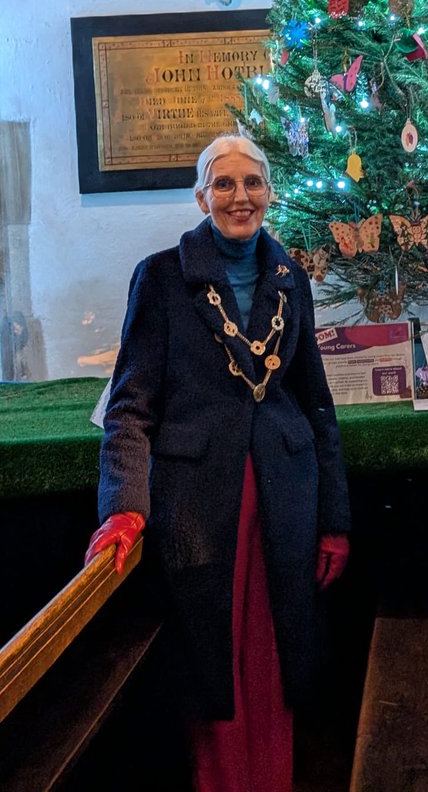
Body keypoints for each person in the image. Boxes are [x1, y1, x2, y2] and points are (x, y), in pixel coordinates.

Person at [84, 134, 351, 792]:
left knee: (275, 653)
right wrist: (123, 506)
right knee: (216, 660)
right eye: (224, 184)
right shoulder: (163, 276)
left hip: (286, 496)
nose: (241, 197)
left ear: (269, 193)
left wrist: (334, 517)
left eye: (253, 183)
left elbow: (316, 406)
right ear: (202, 196)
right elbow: (131, 408)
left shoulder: (291, 278)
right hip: (201, 504)